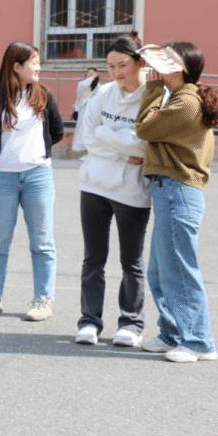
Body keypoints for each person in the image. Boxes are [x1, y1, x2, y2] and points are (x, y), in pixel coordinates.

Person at [0, 41, 64, 320]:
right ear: (17, 66)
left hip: (38, 176)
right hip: (2, 178)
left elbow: (57, 132)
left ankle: (43, 299)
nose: (39, 67)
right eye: (34, 62)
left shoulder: (43, 95)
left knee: (42, 241)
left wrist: (35, 153)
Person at [135, 41, 217, 362]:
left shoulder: (186, 102)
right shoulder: (182, 98)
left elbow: (145, 127)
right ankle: (173, 332)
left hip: (177, 191)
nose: (156, 65)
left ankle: (198, 341)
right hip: (171, 190)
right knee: (160, 271)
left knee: (179, 270)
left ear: (181, 68)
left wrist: (153, 87)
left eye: (165, 60)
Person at [70, 36, 151, 347]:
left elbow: (144, 145)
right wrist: (121, 146)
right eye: (111, 66)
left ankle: (131, 323)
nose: (116, 72)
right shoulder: (103, 94)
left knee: (131, 261)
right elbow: (87, 138)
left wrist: (108, 137)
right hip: (93, 186)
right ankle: (89, 321)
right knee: (93, 258)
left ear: (139, 63)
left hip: (131, 191)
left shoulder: (152, 97)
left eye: (123, 65)